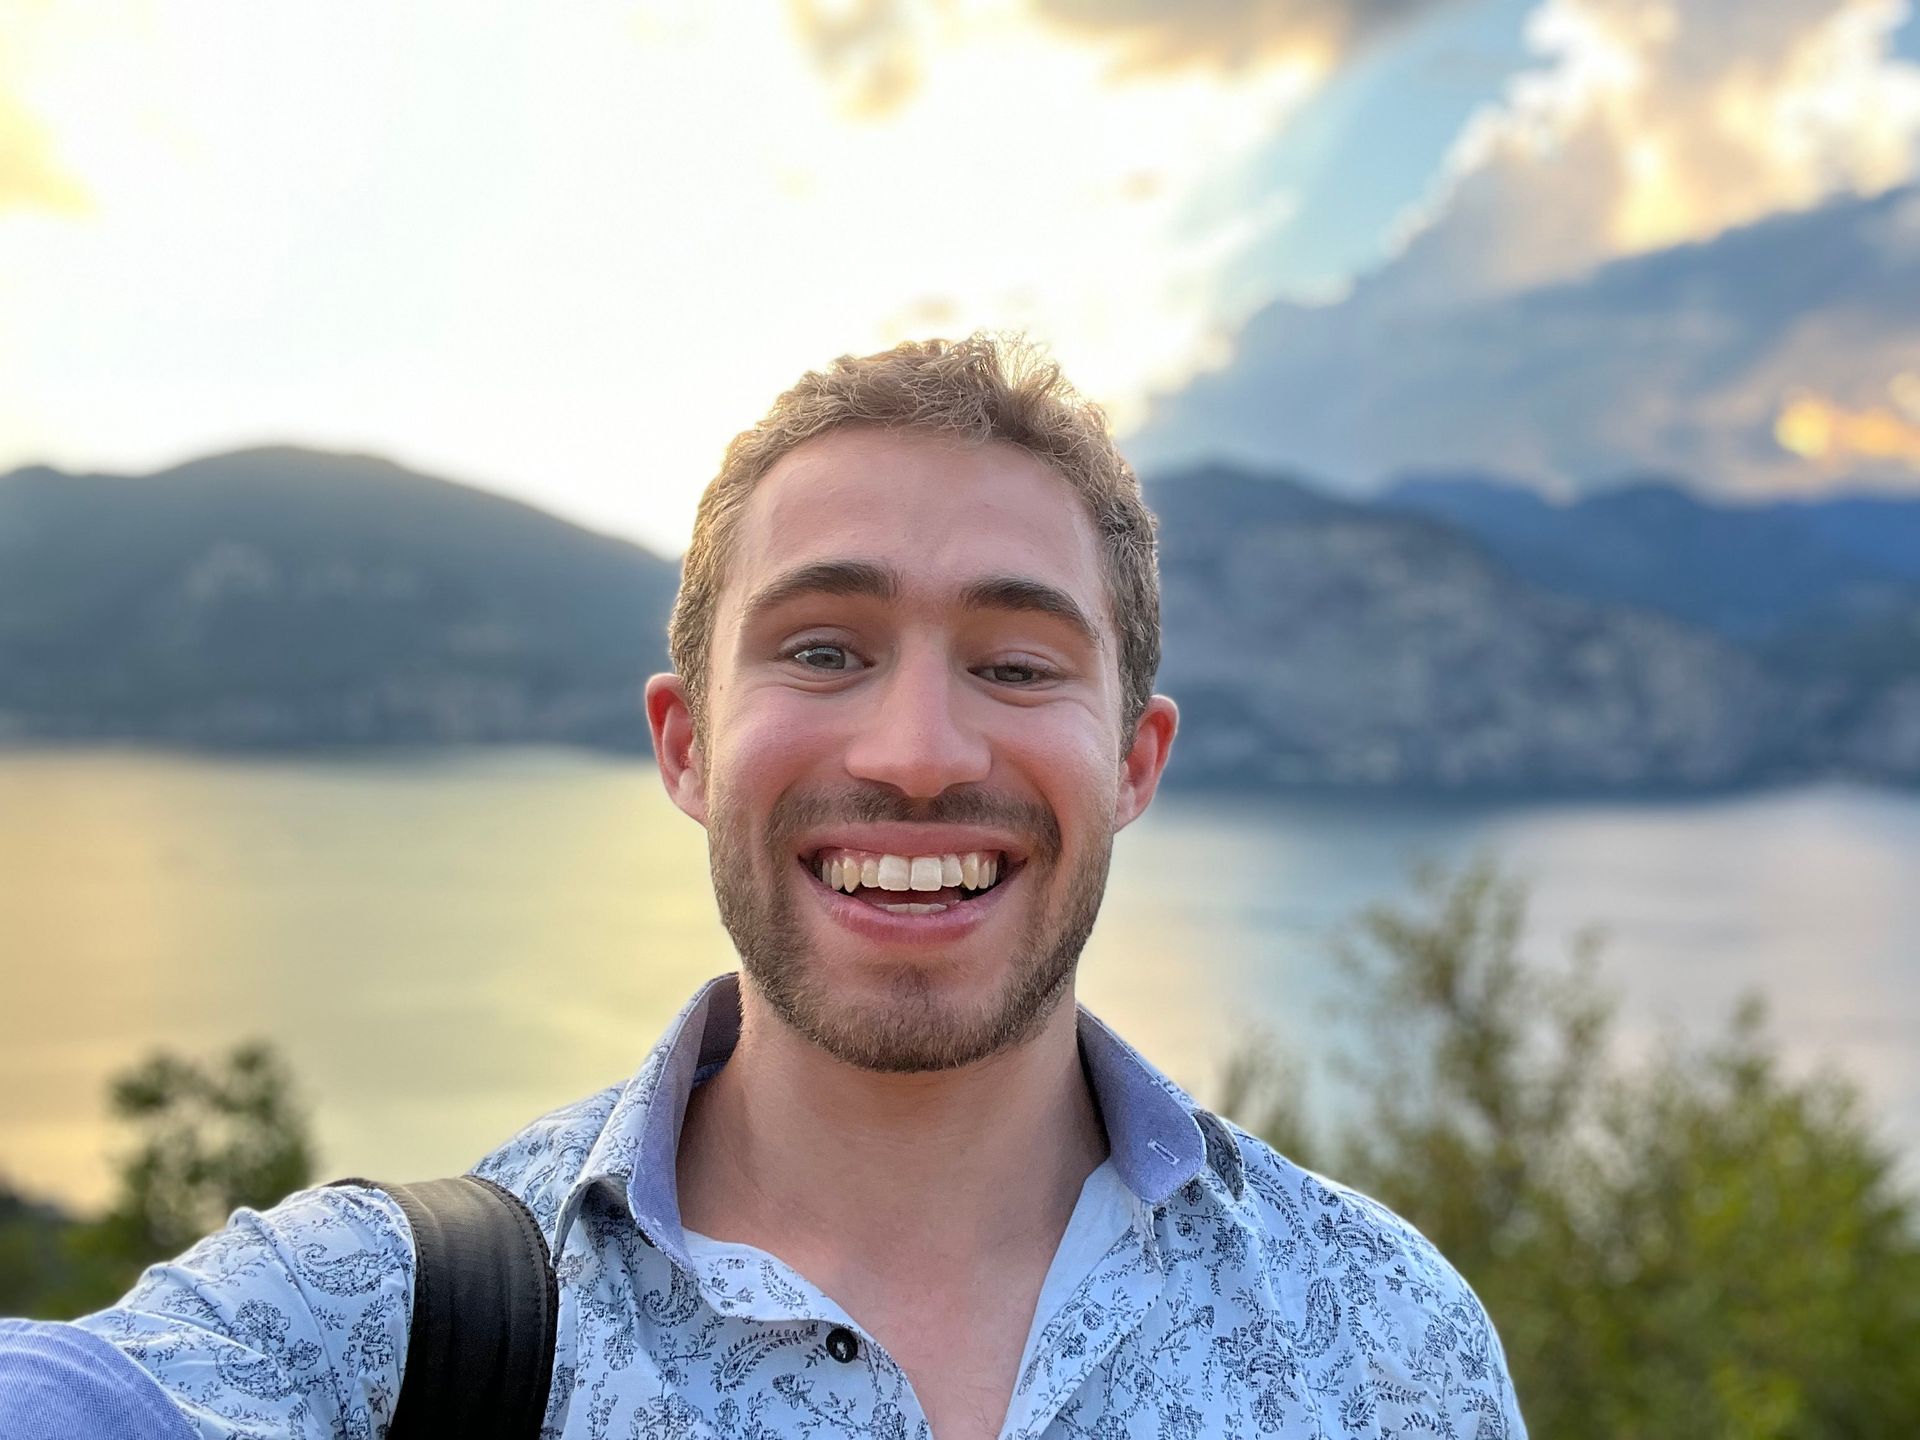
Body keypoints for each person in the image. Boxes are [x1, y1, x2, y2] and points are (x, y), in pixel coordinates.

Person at [0, 335, 1526, 1438]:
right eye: (823, 650)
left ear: (1135, 761)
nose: (917, 754)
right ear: (688, 743)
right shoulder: (406, 1326)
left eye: (1015, 664)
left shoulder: (1390, 1344)